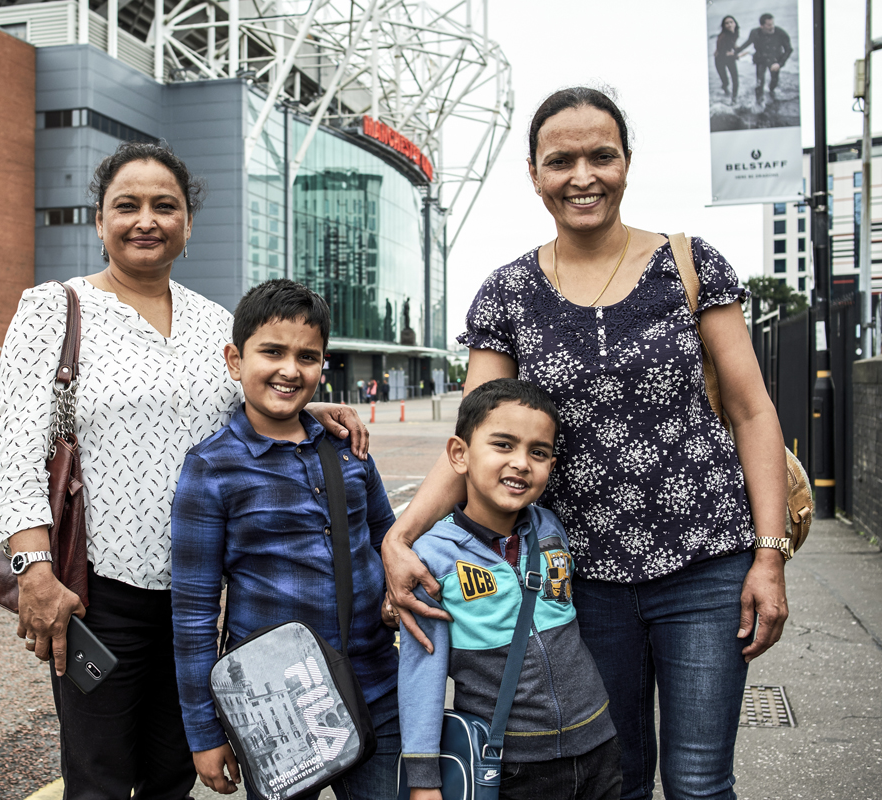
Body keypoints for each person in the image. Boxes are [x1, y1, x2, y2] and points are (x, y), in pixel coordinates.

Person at [382, 88, 789, 800]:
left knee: (698, 782)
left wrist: (769, 556)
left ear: (627, 162)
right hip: (576, 580)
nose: (583, 176)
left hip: (706, 565)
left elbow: (754, 413)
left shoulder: (691, 266)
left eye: (601, 155)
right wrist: (401, 538)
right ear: (534, 173)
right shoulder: (506, 294)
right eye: (560, 160)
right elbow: (475, 442)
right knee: (616, 781)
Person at [0, 142, 369, 800]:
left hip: (197, 599)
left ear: (188, 225)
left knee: (171, 776)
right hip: (99, 595)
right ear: (99, 221)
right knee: (99, 779)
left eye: (166, 206)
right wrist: (34, 574)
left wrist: (309, 404)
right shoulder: (55, 309)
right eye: (125, 206)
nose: (146, 220)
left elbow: (244, 412)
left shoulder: (213, 323)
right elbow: (15, 454)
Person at [171, 279, 401, 799]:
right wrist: (204, 733)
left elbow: (388, 538)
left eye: (308, 356)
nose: (290, 370)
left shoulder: (347, 449)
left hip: (376, 684)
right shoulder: (211, 469)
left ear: (324, 364)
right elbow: (192, 615)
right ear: (235, 359)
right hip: (273, 705)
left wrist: (397, 592)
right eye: (271, 351)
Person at [399, 379, 619, 800]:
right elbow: (420, 671)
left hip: (597, 744)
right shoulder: (431, 558)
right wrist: (423, 779)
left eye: (539, 452)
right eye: (503, 445)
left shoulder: (550, 528)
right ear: (459, 455)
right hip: (509, 762)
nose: (521, 463)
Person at [736, 13, 792, 103]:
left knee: (774, 81)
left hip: (775, 60)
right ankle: (759, 102)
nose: (772, 27)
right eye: (769, 25)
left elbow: (789, 50)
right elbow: (747, 43)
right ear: (761, 26)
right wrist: (735, 52)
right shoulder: (755, 32)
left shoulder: (780, 33)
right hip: (760, 59)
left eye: (773, 24)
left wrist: (780, 64)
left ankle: (772, 93)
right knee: (759, 82)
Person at [714, 16, 740, 103]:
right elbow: (720, 51)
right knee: (726, 82)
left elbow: (732, 43)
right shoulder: (722, 36)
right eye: (727, 23)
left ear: (735, 23)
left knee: (735, 78)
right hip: (720, 59)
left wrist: (734, 48)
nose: (729, 25)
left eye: (731, 22)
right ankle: (726, 92)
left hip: (728, 57)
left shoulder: (736, 32)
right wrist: (736, 55)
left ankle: (734, 99)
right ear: (724, 26)